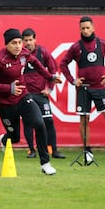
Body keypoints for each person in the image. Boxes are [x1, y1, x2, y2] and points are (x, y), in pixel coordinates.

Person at [0, 28, 62, 175]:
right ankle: (4, 139)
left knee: (39, 123)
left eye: (19, 42)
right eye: (14, 43)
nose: (18, 46)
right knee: (15, 137)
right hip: (5, 104)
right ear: (6, 44)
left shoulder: (24, 53)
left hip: (24, 97)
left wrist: (50, 77)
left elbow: (37, 64)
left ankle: (45, 163)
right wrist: (9, 88)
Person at [60, 16, 105, 162]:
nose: (85, 30)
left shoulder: (102, 44)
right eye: (83, 28)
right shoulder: (76, 47)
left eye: (88, 27)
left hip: (99, 88)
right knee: (84, 119)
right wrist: (72, 80)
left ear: (93, 28)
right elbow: (63, 64)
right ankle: (87, 151)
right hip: (83, 88)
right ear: (80, 29)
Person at [21, 28, 65, 159]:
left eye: (30, 40)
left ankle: (54, 150)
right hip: (26, 95)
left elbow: (53, 70)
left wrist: (49, 89)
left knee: (48, 121)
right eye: (26, 40)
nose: (28, 43)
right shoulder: (20, 55)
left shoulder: (43, 52)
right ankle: (31, 150)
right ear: (22, 41)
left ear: (35, 39)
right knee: (28, 122)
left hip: (41, 95)